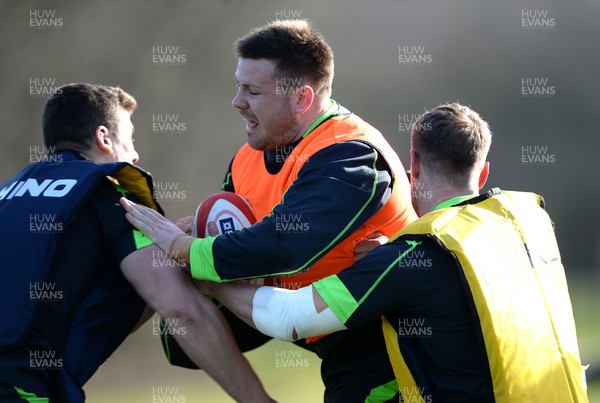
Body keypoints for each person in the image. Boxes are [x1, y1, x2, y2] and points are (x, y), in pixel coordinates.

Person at [124, 103, 589, 402]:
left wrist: (211, 279)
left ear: (414, 165)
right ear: (483, 170)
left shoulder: (413, 256)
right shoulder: (526, 221)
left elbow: (291, 318)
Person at [123, 19, 418, 402]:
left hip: (385, 341)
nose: (237, 101)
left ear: (301, 99)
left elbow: (285, 245)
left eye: (253, 90)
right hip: (316, 326)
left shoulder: (353, 156)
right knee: (176, 323)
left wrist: (185, 249)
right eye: (238, 85)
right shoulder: (247, 158)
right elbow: (235, 258)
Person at [0, 83, 272, 402]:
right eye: (130, 138)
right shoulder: (107, 198)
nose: (136, 153)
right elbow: (182, 310)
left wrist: (173, 259)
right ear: (104, 138)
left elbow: (89, 311)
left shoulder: (9, 194)